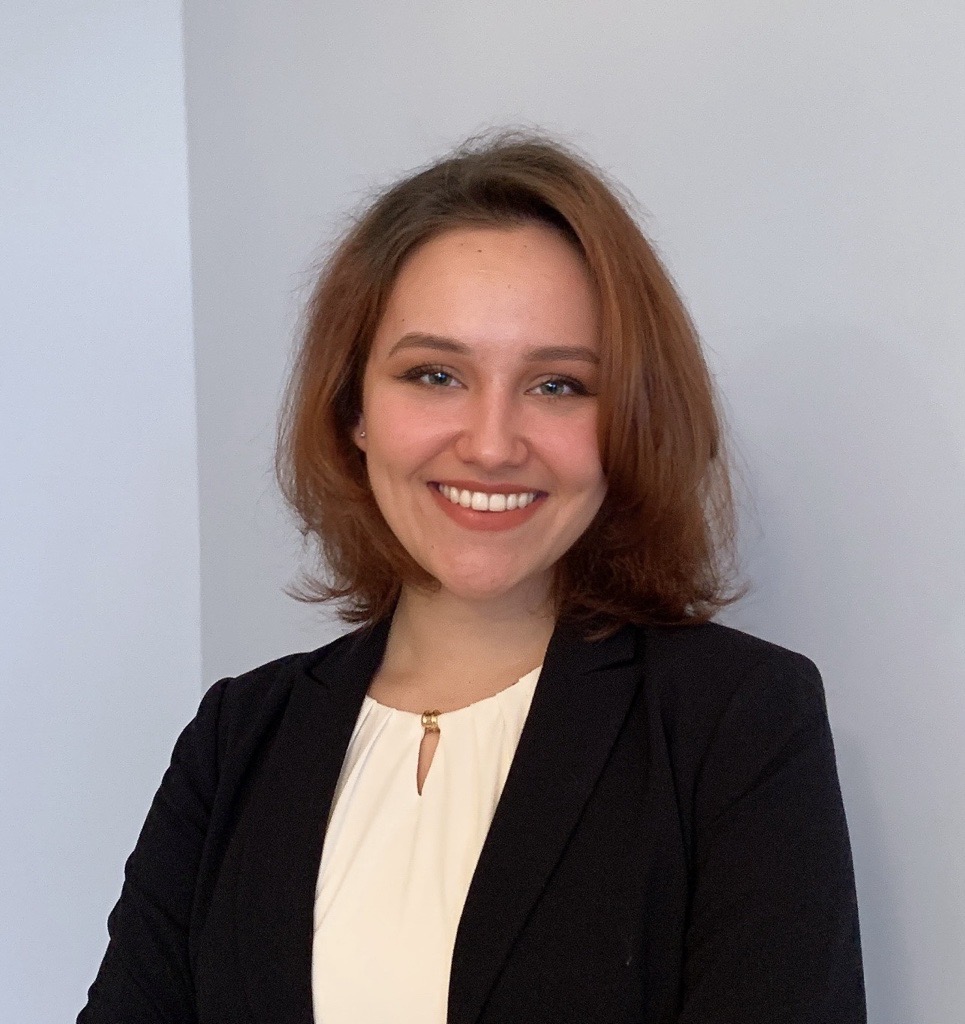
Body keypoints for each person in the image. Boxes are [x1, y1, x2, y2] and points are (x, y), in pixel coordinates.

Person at [79, 132, 866, 1023]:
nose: (491, 445)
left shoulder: (736, 720)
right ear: (354, 409)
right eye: (435, 374)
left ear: (628, 420)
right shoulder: (238, 740)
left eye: (557, 385)